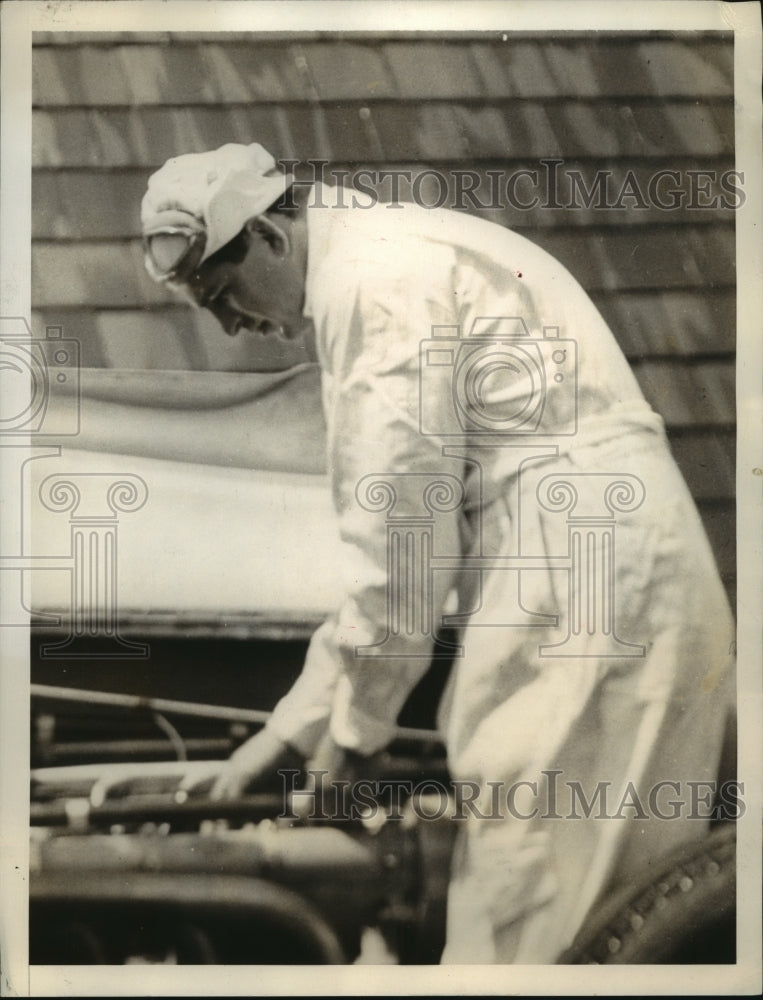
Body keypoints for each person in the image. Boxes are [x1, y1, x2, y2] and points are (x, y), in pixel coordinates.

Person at [141, 142, 735, 963]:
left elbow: (401, 547)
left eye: (222, 292)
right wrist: (284, 737)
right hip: (603, 564)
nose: (231, 325)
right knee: (605, 915)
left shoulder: (372, 286)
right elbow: (390, 562)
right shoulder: (390, 251)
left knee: (536, 919)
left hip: (581, 579)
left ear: (272, 238)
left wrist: (351, 746)